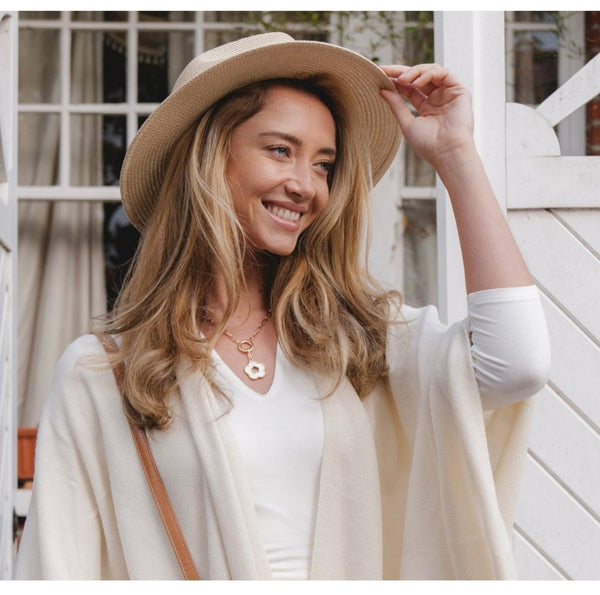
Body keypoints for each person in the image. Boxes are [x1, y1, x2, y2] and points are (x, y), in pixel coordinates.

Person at [16, 32, 550, 580]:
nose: (306, 186)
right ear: (208, 156)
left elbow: (517, 364)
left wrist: (456, 157)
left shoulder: (354, 344)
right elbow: (54, 572)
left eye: (324, 164)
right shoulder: (103, 374)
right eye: (280, 150)